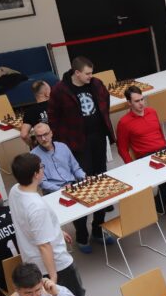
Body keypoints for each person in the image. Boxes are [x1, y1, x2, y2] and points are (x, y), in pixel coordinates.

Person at [7, 153, 99, 296]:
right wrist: (54, 275)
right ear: (36, 174)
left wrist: (56, 232)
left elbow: (31, 226)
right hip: (55, 262)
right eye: (41, 167)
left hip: (32, 258)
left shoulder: (15, 191)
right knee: (75, 295)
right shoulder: (36, 206)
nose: (44, 169)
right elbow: (44, 246)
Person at [48, 57, 115, 250]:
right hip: (76, 145)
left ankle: (98, 228)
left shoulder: (96, 83)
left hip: (98, 140)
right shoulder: (60, 90)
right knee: (81, 187)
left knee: (101, 183)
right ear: (76, 73)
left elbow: (105, 102)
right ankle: (82, 234)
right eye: (87, 73)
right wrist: (62, 141)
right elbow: (53, 118)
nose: (90, 76)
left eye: (91, 73)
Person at [115, 85, 166, 211]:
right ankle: (159, 205)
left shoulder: (152, 112)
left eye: (142, 99)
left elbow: (159, 132)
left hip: (163, 151)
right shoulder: (124, 122)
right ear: (129, 103)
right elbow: (122, 149)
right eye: (137, 101)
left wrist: (165, 147)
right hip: (146, 157)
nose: (141, 103)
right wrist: (132, 166)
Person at [19, 80, 51, 147]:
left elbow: (24, 135)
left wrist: (33, 146)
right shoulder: (57, 104)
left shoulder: (29, 111)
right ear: (47, 93)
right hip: (61, 144)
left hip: (44, 146)